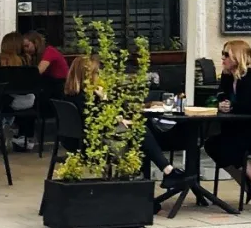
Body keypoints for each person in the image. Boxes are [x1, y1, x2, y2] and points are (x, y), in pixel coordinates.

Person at [63, 55, 186, 190]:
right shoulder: (85, 97)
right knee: (141, 131)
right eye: (97, 73)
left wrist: (120, 118)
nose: (99, 77)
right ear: (87, 76)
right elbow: (96, 118)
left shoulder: (72, 94)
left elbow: (100, 116)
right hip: (92, 142)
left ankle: (158, 176)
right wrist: (105, 99)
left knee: (141, 132)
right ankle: (162, 175)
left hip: (83, 139)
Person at [204, 40, 251, 206]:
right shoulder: (227, 75)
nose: (222, 58)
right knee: (211, 144)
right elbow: (221, 93)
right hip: (239, 126)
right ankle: (246, 180)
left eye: (226, 55)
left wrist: (231, 106)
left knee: (228, 145)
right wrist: (222, 102)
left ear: (237, 57)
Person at [24, 31, 69, 102]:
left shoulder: (49, 51)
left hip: (60, 84)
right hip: (50, 82)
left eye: (27, 46)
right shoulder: (35, 55)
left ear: (35, 43)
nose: (25, 49)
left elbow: (38, 71)